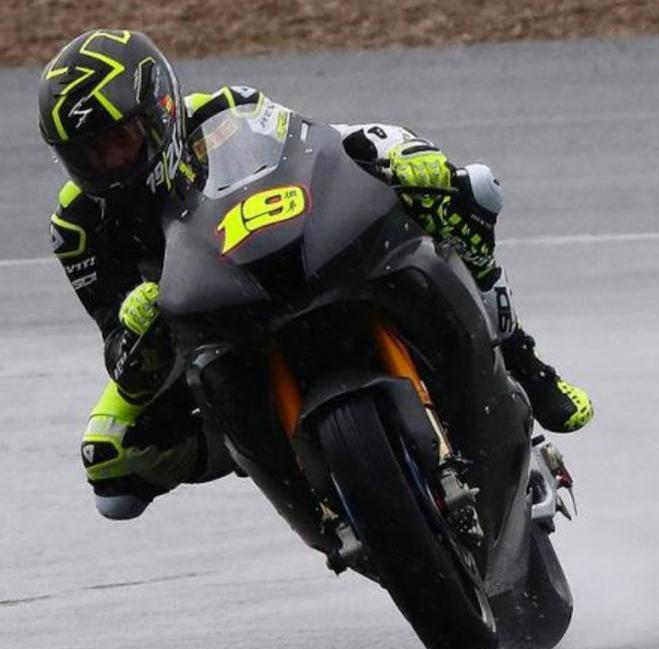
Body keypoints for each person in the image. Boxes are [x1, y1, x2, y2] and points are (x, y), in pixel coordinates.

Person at [39, 29, 593, 520]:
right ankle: (257, 448)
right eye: (88, 154)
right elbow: (120, 358)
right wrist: (135, 324)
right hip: (204, 326)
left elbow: (326, 146)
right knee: (110, 459)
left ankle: (526, 363)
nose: (108, 162)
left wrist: (403, 155)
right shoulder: (78, 225)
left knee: (461, 189)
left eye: (120, 140)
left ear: (160, 109)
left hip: (288, 259)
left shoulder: (224, 114)